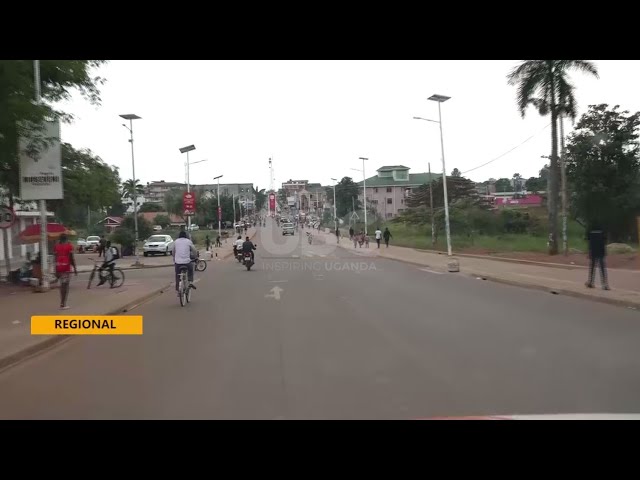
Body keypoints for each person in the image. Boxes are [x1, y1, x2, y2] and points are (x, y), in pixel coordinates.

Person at [54, 234, 77, 309]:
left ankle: (62, 303)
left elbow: (55, 258)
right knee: (65, 286)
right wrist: (75, 268)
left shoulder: (56, 246)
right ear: (66, 239)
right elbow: (71, 258)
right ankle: (63, 303)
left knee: (61, 285)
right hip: (66, 267)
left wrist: (55, 269)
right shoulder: (69, 246)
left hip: (58, 267)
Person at [586, 223, 610, 290]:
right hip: (601, 250)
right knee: (602, 268)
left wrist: (589, 251)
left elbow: (589, 241)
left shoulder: (590, 226)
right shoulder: (603, 226)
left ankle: (590, 282)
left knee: (592, 267)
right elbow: (605, 240)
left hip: (593, 249)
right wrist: (605, 250)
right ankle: (605, 284)